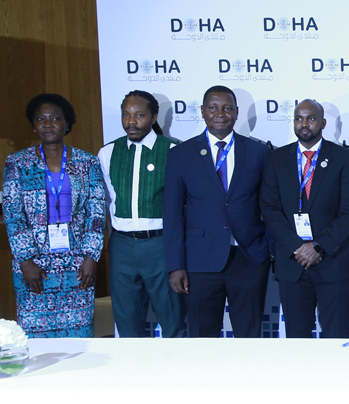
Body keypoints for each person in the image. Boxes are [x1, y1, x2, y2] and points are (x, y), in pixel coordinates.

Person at [163, 85, 271, 338]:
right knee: (203, 335)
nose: (219, 113)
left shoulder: (258, 152)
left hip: (249, 259)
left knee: (249, 334)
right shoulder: (181, 154)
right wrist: (175, 265)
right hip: (200, 262)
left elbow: (270, 205)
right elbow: (172, 213)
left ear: (236, 112)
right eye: (213, 107)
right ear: (202, 111)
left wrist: (269, 249)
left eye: (226, 108)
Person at [2, 93, 105, 337]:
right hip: (35, 266)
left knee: (79, 334)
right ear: (34, 126)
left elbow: (97, 212)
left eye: (55, 119)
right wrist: (25, 261)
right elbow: (12, 213)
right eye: (41, 119)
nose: (48, 124)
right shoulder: (17, 163)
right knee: (36, 334)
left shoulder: (86, 162)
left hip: (78, 264)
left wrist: (91, 257)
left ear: (67, 123)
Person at [261, 99, 349, 338]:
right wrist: (298, 247)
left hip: (332, 263)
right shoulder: (277, 158)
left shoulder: (343, 158)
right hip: (292, 263)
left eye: (311, 118)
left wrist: (319, 246)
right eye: (299, 118)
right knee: (297, 338)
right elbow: (269, 208)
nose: (304, 124)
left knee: (336, 335)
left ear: (323, 123)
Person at [97, 90, 185, 337]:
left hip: (161, 244)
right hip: (122, 245)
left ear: (154, 117)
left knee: (172, 319)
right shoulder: (108, 152)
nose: (131, 122)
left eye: (139, 115)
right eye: (126, 115)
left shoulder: (174, 151)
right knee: (126, 322)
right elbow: (104, 202)